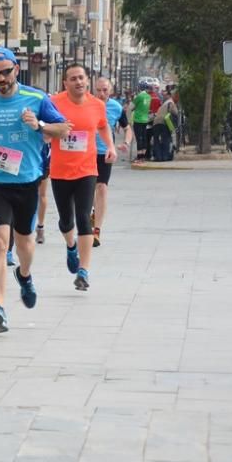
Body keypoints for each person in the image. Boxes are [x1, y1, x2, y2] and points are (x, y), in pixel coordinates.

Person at [0, 47, 68, 333]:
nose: (1, 78)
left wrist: (38, 124)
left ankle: (24, 276)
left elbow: (63, 128)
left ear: (16, 69)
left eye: (6, 72)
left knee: (24, 243)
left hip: (26, 182)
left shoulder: (36, 98)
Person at [48, 63, 115, 292]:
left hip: (87, 170)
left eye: (81, 78)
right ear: (65, 83)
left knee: (84, 218)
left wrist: (111, 146)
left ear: (87, 81)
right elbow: (44, 128)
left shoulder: (97, 105)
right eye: (73, 78)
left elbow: (103, 127)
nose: (78, 82)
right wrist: (49, 132)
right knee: (66, 221)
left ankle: (83, 271)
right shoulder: (54, 103)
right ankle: (70, 246)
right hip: (59, 171)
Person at [92, 77, 133, 247]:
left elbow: (127, 128)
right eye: (99, 90)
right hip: (86, 153)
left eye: (105, 90)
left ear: (110, 91)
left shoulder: (116, 107)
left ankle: (96, 231)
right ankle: (91, 213)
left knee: (101, 188)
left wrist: (126, 143)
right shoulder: (87, 104)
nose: (101, 94)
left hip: (105, 153)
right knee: (87, 190)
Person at [152, 89, 179, 162]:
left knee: (156, 140)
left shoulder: (165, 103)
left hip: (156, 123)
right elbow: (176, 113)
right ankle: (165, 157)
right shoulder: (171, 103)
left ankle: (158, 157)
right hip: (164, 123)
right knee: (165, 140)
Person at [131, 82, 151, 162]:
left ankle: (139, 156)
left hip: (138, 119)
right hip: (145, 119)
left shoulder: (139, 96)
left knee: (139, 138)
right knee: (144, 137)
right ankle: (143, 155)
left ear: (139, 88)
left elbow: (131, 107)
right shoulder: (149, 97)